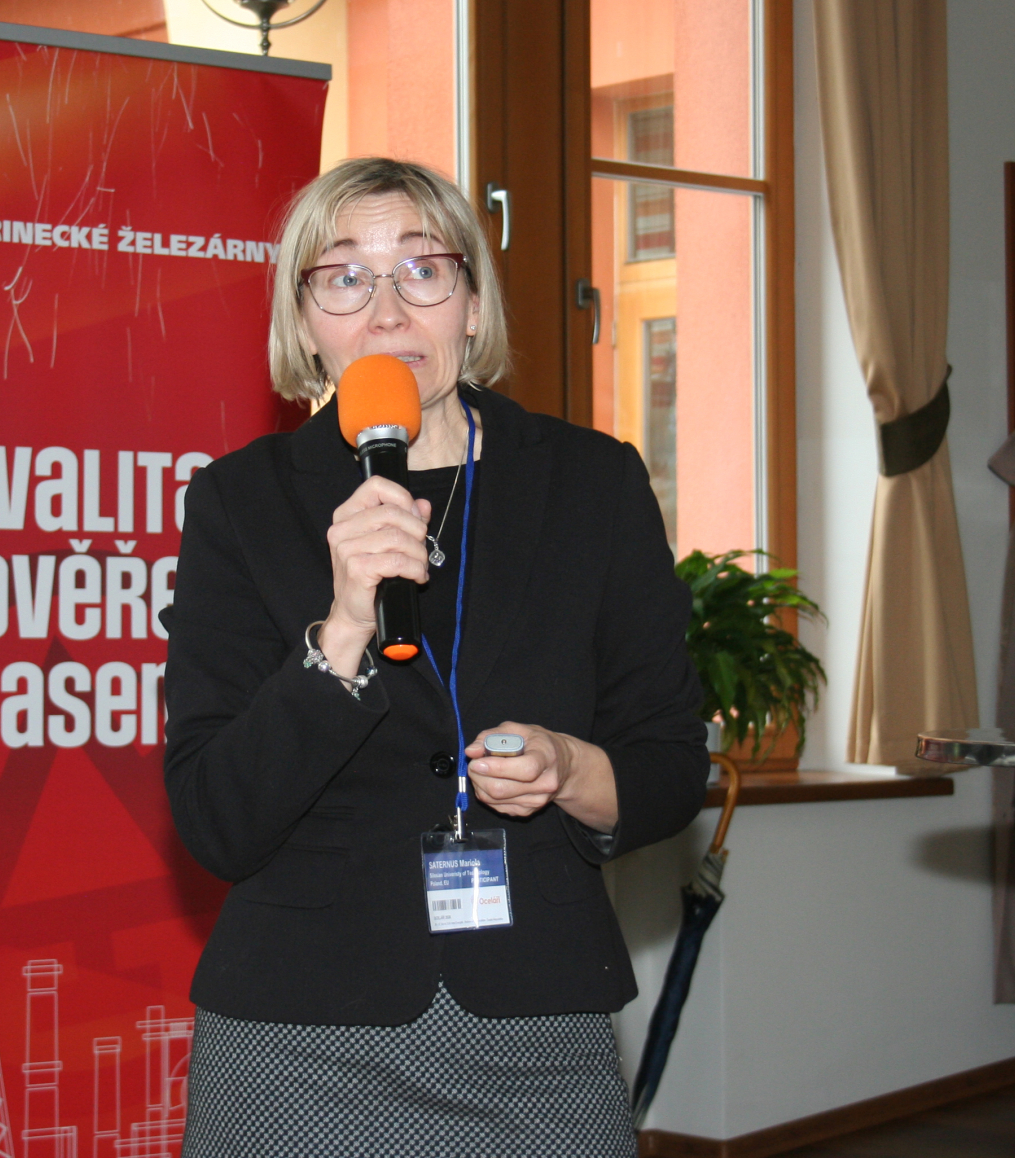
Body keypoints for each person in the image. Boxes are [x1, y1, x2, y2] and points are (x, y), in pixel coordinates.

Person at [162, 157, 707, 1158]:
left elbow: (671, 765)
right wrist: (340, 632)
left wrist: (569, 767)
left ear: (472, 303)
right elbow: (215, 821)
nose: (386, 311)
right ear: (304, 322)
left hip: (538, 1029)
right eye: (343, 277)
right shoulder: (240, 501)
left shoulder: (591, 483)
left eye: (421, 270)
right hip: (297, 1034)